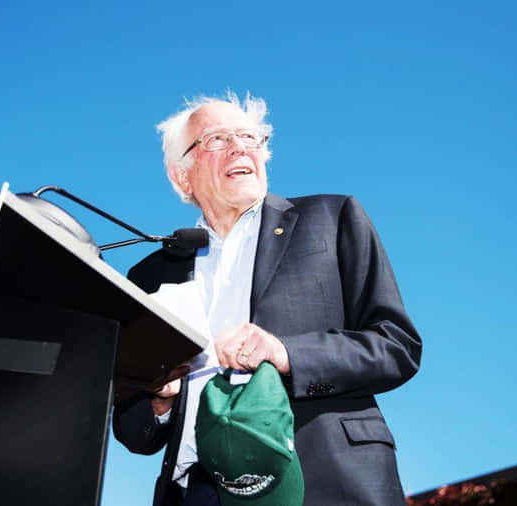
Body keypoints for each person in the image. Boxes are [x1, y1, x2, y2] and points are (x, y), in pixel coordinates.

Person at [113, 92, 422, 506]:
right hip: (199, 490)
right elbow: (133, 430)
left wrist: (286, 352)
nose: (241, 147)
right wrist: (158, 398)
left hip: (322, 478)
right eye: (218, 140)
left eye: (251, 138)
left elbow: (396, 345)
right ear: (181, 175)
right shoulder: (151, 273)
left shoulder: (331, 219)